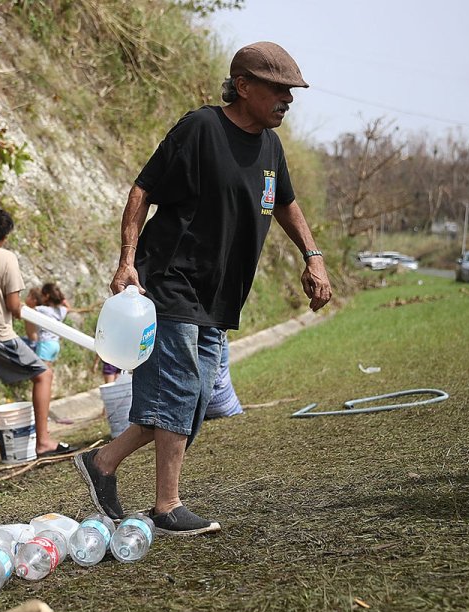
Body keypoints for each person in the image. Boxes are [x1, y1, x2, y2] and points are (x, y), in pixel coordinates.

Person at [72, 42, 332, 535]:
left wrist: (312, 256)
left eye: (291, 91)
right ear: (243, 86)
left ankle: (103, 462)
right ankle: (166, 506)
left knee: (194, 401)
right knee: (182, 388)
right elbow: (142, 188)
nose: (288, 100)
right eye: (278, 89)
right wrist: (127, 259)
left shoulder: (271, 148)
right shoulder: (201, 128)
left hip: (219, 294)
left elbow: (284, 204)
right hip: (171, 280)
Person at [0, 208, 73, 472]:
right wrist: (20, 311)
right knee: (44, 374)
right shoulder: (6, 258)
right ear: (6, 235)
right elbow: (12, 304)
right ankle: (43, 441)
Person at [31, 282, 70, 364]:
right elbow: (68, 307)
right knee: (47, 371)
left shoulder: (42, 310)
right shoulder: (61, 311)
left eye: (41, 295)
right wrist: (62, 299)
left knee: (40, 373)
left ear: (47, 296)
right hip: (55, 344)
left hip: (45, 343)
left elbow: (30, 309)